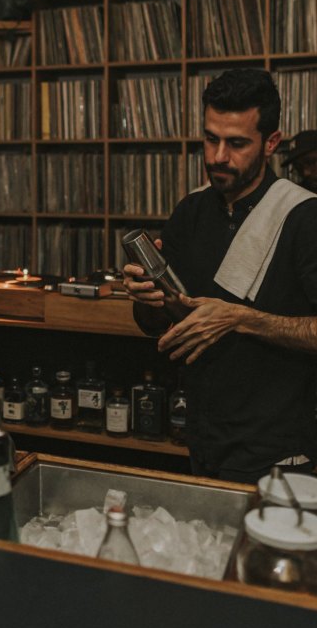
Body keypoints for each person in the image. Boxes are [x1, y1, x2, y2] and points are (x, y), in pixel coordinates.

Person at [123, 68, 317, 485]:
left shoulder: (304, 217)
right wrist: (146, 300)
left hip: (280, 451)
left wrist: (242, 318)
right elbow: (160, 325)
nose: (218, 157)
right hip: (202, 438)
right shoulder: (189, 212)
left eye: (237, 143)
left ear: (271, 143)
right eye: (211, 139)